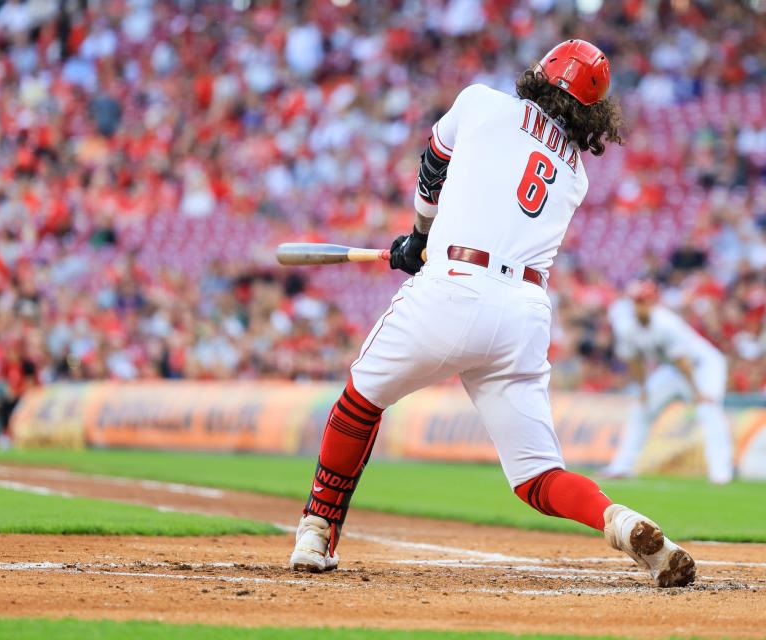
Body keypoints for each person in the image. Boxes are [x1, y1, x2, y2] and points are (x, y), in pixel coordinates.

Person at [288, 40, 696, 588]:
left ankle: (317, 532)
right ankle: (618, 520)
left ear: (540, 73)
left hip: (452, 287)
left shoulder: (482, 101)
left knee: (359, 403)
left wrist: (418, 237)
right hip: (522, 315)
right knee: (537, 477)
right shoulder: (575, 172)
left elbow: (435, 162)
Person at [605, 281, 734, 484]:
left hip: (703, 366)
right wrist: (643, 389)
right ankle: (621, 466)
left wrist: (698, 392)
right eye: (637, 302)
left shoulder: (666, 323)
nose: (641, 306)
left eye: (644, 301)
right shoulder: (625, 325)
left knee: (708, 411)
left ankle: (721, 473)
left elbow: (683, 361)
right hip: (673, 370)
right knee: (642, 408)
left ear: (653, 303)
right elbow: (634, 360)